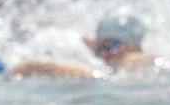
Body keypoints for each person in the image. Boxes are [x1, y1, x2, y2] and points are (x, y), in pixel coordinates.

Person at [8, 9, 156, 77]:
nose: (103, 54)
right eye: (99, 47)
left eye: (110, 46)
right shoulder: (107, 58)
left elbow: (117, 78)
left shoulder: (139, 59)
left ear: (134, 46)